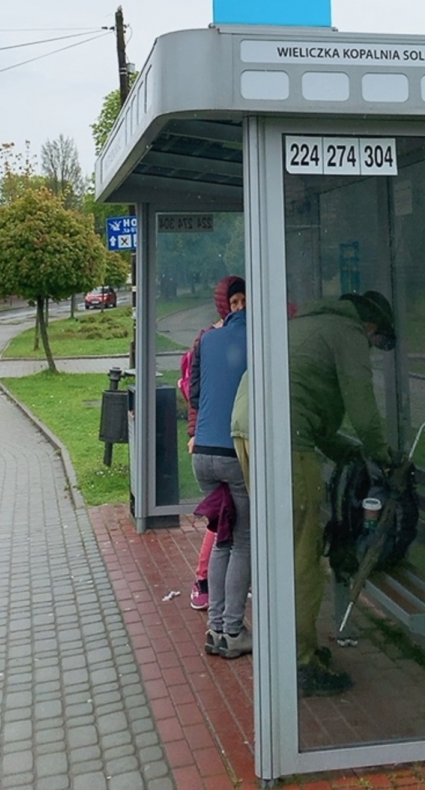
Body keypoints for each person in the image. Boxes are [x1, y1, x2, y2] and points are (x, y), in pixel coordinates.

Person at [288, 290, 393, 697]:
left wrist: (345, 450)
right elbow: (362, 407)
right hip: (287, 443)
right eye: (376, 340)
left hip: (250, 429)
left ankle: (293, 649)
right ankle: (301, 664)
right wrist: (381, 455)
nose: (371, 347)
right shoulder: (348, 332)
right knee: (305, 557)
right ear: (370, 325)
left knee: (285, 550)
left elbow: (304, 404)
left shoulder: (310, 322)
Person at [189, 276, 251, 659]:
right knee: (242, 541)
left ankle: (215, 629)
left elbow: (195, 395)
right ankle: (233, 631)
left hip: (203, 453)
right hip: (233, 451)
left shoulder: (207, 340)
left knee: (222, 539)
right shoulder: (258, 337)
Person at [180, 275, 242, 610]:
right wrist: (194, 433)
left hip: (215, 443)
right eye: (234, 303)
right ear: (223, 306)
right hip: (224, 443)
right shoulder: (211, 339)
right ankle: (205, 581)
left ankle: (211, 586)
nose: (240, 308)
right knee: (229, 527)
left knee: (225, 523)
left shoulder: (217, 338)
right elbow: (197, 393)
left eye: (244, 301)